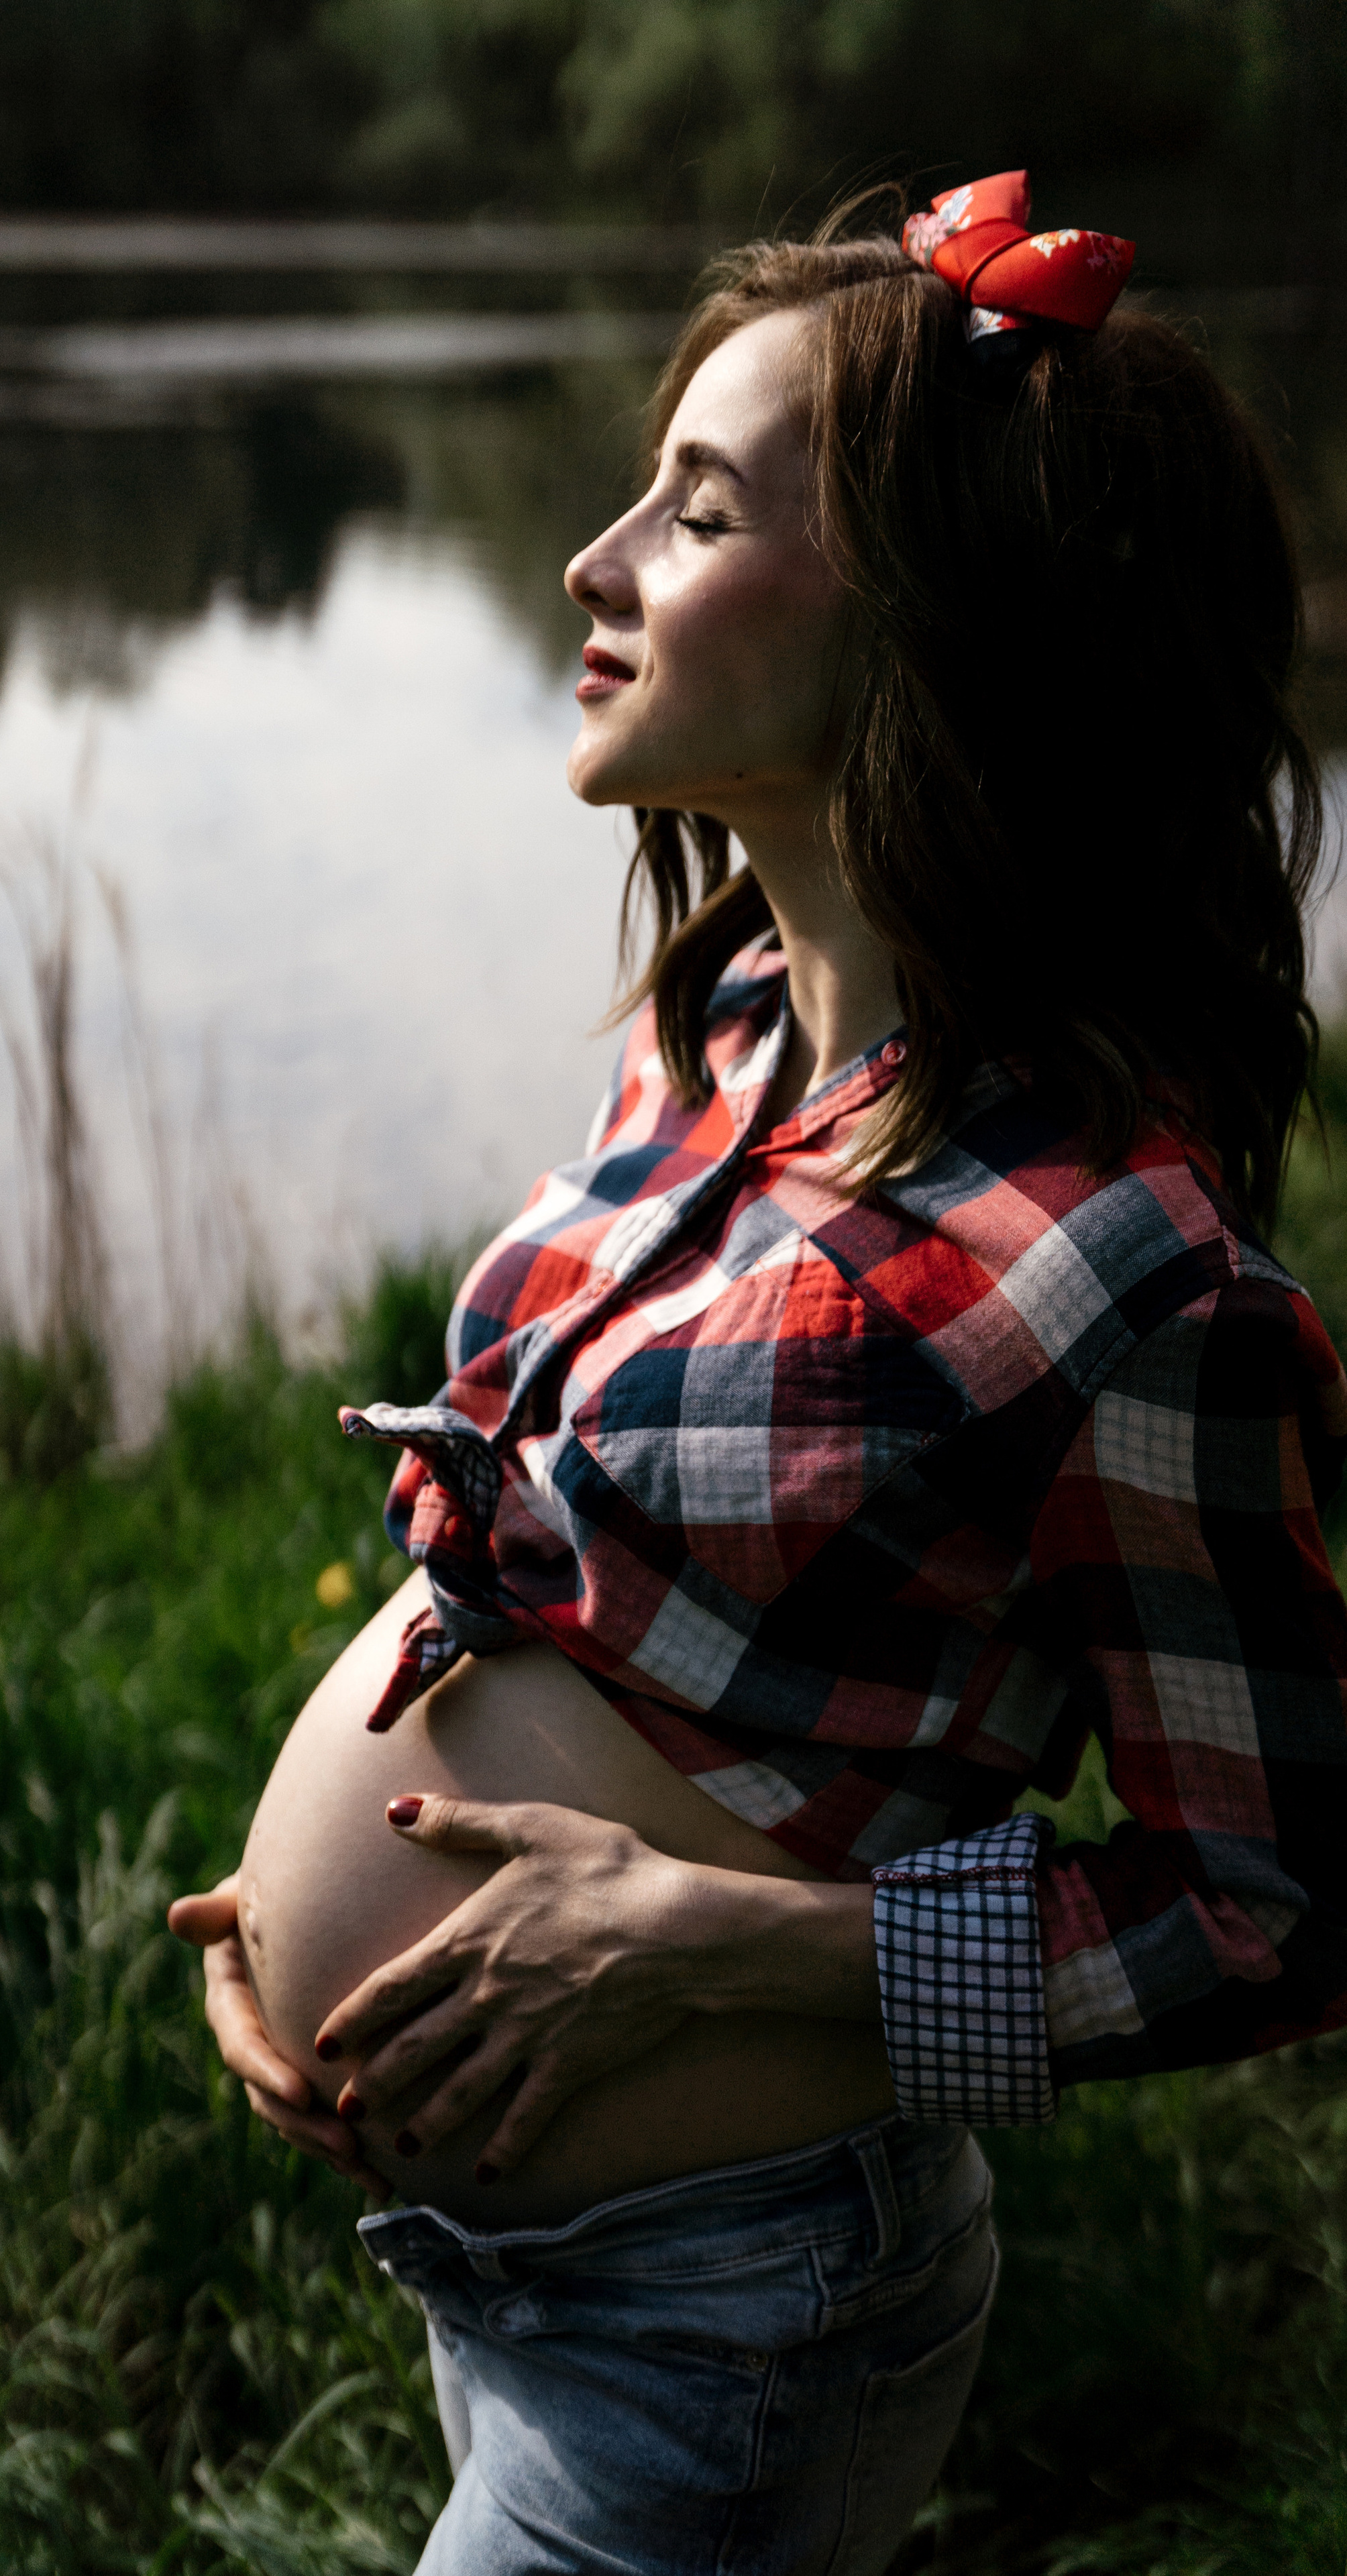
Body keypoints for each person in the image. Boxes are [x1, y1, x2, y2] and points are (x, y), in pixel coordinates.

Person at [170, 172, 1347, 2573]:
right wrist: (319, 1903)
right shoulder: (710, 1043)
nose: (595, 560)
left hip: (733, 2320)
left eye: (696, 509)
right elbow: (625, 1592)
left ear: (933, 628)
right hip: (509, 2266)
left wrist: (719, 1945)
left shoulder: (1134, 1278)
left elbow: (1285, 1911)